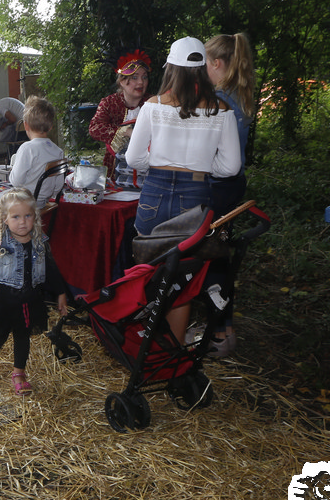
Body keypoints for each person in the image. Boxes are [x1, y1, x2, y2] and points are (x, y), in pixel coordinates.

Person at [124, 37, 241, 341]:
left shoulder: (153, 106)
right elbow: (230, 168)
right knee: (182, 277)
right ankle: (174, 348)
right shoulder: (221, 110)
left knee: (149, 269)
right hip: (195, 196)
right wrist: (201, 167)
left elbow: (133, 158)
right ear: (202, 68)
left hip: (154, 192)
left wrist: (158, 165)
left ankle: (144, 341)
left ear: (171, 69)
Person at [0, 188, 70, 397]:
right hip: (3, 301)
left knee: (23, 338)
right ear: (5, 219)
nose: (22, 222)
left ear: (35, 217)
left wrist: (61, 293)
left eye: (28, 216)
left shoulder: (40, 242)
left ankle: (19, 373)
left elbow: (51, 269)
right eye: (15, 217)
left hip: (29, 300)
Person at [199, 32, 258, 355]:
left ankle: (219, 333)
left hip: (218, 186)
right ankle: (225, 329)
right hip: (233, 184)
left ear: (217, 63)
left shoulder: (220, 102)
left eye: (205, 64)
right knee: (220, 254)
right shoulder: (239, 95)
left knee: (210, 257)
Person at [0, 96, 64, 245]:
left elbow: (15, 181)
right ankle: (1, 245)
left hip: (23, 201)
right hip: (42, 202)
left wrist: (14, 169)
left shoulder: (27, 148)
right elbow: (58, 187)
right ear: (51, 126)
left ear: (25, 125)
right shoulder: (58, 151)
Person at [88, 49, 153, 188]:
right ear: (122, 81)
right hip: (115, 170)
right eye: (134, 77)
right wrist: (126, 132)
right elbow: (94, 128)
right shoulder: (109, 103)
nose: (141, 82)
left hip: (147, 171)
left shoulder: (153, 103)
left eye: (144, 77)